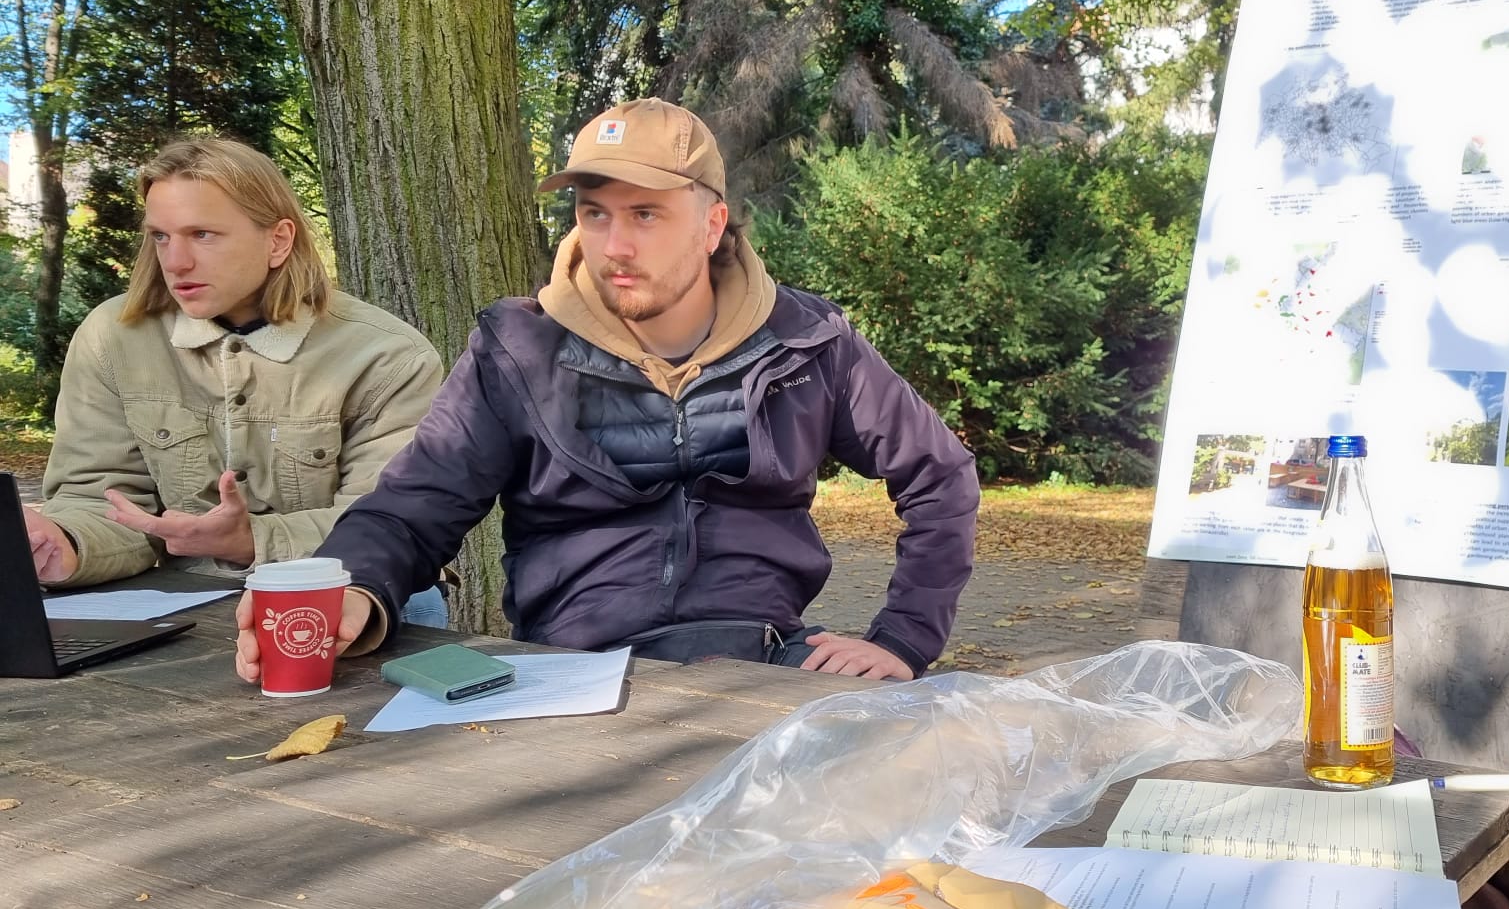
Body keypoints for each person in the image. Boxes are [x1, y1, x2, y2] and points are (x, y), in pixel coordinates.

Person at [236, 97, 979, 684]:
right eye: (595, 214)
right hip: (572, 672)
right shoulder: (517, 348)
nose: (614, 245)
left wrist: (902, 640)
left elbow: (939, 473)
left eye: (646, 215)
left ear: (713, 223)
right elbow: (413, 505)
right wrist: (355, 589)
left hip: (764, 660)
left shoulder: (807, 341)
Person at [26, 139, 444, 630]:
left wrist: (251, 540)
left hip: (361, 604)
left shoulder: (389, 356)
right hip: (186, 612)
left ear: (278, 241)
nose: (176, 261)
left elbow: (390, 524)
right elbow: (99, 501)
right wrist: (59, 542)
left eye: (202, 234)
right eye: (160, 236)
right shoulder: (112, 337)